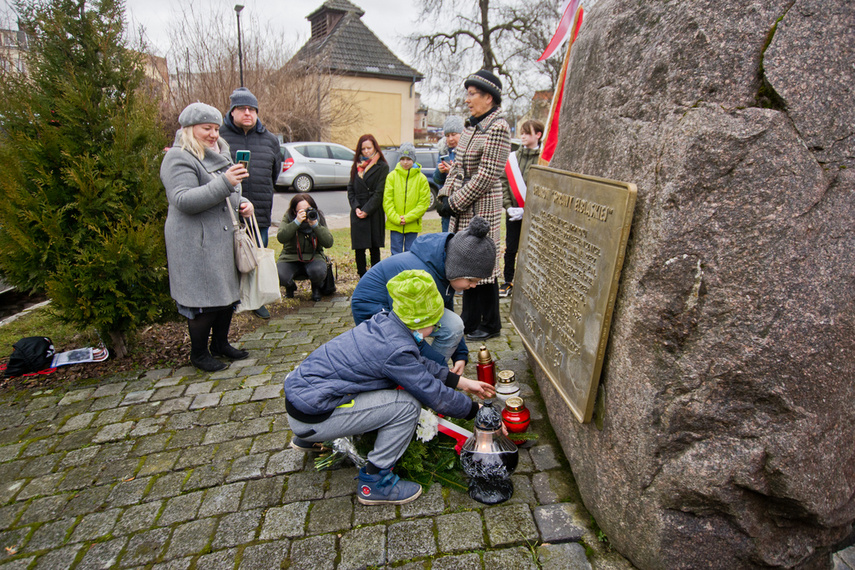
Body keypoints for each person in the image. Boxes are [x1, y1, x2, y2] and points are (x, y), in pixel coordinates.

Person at [284, 269, 496, 505]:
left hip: (302, 400)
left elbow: (419, 363)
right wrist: (477, 411)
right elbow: (434, 395)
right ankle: (376, 482)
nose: (434, 330)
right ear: (419, 324)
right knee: (407, 405)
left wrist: (462, 382)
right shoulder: (396, 350)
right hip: (313, 417)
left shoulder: (386, 322)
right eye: (434, 325)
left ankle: (310, 438)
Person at [160, 102, 253, 372]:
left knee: (226, 298)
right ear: (189, 129)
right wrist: (226, 182)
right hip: (195, 243)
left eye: (215, 128)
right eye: (206, 129)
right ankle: (199, 354)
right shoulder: (179, 157)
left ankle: (220, 344)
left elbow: (228, 193)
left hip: (221, 239)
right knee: (203, 303)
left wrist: (243, 202)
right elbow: (183, 199)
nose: (214, 134)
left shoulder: (219, 153)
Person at [351, 217, 496, 374]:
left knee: (454, 326)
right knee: (404, 347)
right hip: (374, 309)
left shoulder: (445, 270)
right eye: (471, 280)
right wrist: (440, 368)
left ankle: (424, 378)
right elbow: (406, 332)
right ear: (457, 268)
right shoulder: (420, 278)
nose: (473, 286)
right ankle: (417, 377)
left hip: (398, 311)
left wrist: (460, 354)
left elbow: (445, 308)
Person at [436, 70, 511, 341]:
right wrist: (444, 195)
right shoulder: (471, 125)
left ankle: (490, 323)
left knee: (483, 263)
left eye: (472, 94)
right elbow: (457, 167)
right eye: (467, 94)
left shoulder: (498, 127)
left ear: (488, 97)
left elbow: (486, 176)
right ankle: (468, 321)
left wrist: (454, 203)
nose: (467, 100)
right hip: (464, 202)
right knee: (465, 260)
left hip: (482, 205)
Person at [220, 87, 283, 319]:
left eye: (252, 109)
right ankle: (231, 300)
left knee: (256, 255)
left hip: (259, 210)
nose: (247, 113)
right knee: (230, 257)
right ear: (232, 111)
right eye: (242, 109)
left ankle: (256, 299)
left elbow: (274, 172)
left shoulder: (269, 140)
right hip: (227, 209)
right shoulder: (220, 137)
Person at [499, 119, 544, 298]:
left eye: (527, 132)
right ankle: (508, 280)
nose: (523, 136)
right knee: (511, 248)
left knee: (532, 249)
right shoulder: (513, 157)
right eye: (522, 132)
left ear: (538, 135)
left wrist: (530, 209)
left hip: (534, 215)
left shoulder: (544, 160)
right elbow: (503, 183)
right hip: (513, 213)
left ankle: (528, 282)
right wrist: (509, 207)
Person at [276, 193, 334, 302]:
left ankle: (316, 288)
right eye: (301, 211)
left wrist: (316, 225)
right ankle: (290, 286)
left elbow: (328, 243)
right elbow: (281, 237)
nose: (306, 213)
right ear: (294, 211)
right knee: (280, 274)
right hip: (290, 257)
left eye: (308, 209)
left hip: (314, 256)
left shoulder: (317, 217)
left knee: (318, 271)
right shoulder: (288, 217)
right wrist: (296, 222)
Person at [347, 134, 389, 277]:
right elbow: (350, 189)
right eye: (363, 149)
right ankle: (362, 276)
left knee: (374, 247)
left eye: (369, 148)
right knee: (359, 248)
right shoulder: (356, 166)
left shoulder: (382, 166)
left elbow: (379, 192)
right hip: (357, 211)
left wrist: (366, 210)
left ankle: (376, 277)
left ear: (375, 147)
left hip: (373, 211)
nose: (366, 151)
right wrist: (356, 208)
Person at [383, 142, 430, 255]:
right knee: (395, 254)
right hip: (395, 224)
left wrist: (407, 218)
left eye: (408, 159)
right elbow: (387, 200)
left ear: (413, 159)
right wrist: (396, 218)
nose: (405, 162)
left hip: (412, 224)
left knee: (410, 253)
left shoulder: (421, 179)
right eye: (402, 158)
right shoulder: (392, 177)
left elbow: (423, 203)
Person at [432, 116, 464, 233]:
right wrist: (440, 172)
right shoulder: (443, 152)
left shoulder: (468, 152)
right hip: (446, 205)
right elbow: (437, 180)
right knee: (447, 240)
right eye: (447, 135)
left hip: (462, 203)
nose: (450, 139)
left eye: (453, 134)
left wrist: (453, 172)